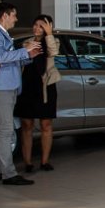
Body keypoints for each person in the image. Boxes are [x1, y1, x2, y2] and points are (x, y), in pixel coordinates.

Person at [0, 2, 40, 185]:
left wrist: (28, 55)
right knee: (6, 130)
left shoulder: (3, 34)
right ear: (4, 16)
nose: (16, 19)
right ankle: (9, 174)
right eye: (14, 15)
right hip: (1, 88)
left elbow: (11, 60)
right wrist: (25, 51)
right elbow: (0, 57)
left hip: (9, 87)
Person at [15, 15, 61, 175]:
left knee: (46, 124)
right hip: (28, 86)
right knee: (26, 124)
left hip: (46, 87)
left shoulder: (53, 41)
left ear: (49, 27)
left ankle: (45, 161)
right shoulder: (26, 42)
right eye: (35, 25)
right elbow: (21, 60)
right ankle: (27, 162)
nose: (37, 28)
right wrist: (27, 49)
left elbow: (53, 52)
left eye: (41, 25)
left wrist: (49, 34)